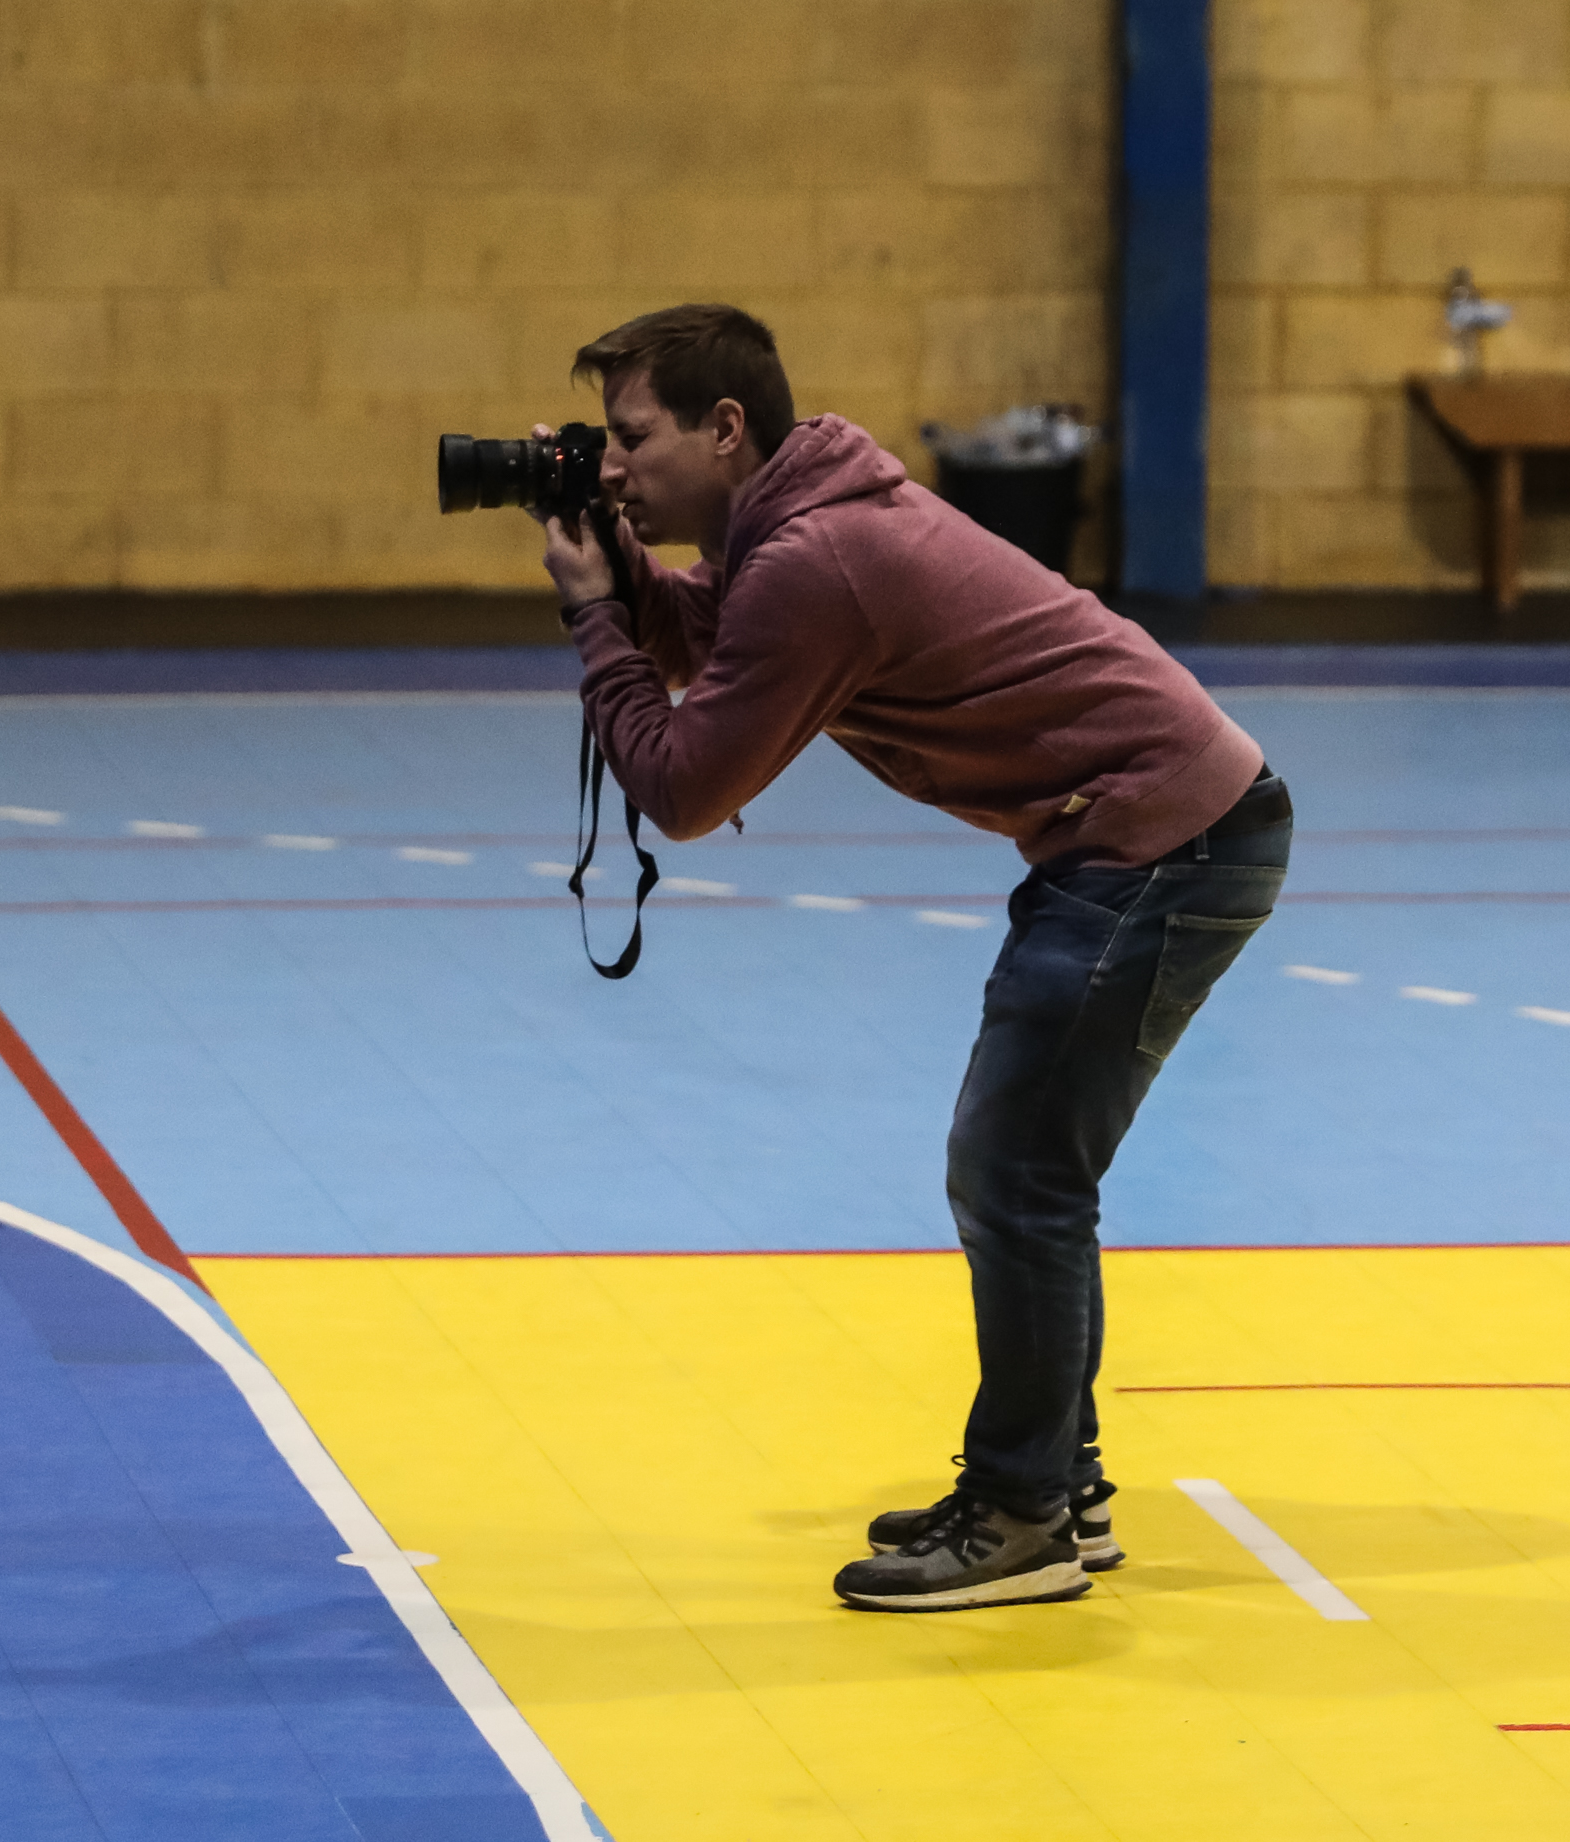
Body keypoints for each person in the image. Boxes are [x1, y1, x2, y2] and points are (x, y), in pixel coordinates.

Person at [533, 303, 1291, 1613]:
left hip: (1162, 841)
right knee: (1029, 1169)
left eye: (631, 440)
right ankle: (1055, 1480)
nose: (613, 465)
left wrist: (598, 618)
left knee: (1017, 1170)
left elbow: (685, 787)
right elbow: (708, 634)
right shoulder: (802, 525)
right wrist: (621, 572)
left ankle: (1022, 1518)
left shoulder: (812, 557)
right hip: (1157, 831)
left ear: (726, 429)